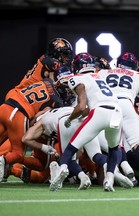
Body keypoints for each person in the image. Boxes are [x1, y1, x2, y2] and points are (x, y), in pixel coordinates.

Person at [49, 53, 124, 192]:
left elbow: (82, 106)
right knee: (113, 149)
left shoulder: (77, 78)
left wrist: (70, 119)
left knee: (71, 147)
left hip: (99, 112)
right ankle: (109, 179)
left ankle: (63, 169)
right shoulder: (101, 75)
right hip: (117, 112)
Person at [98, 52, 139, 188]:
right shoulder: (137, 75)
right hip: (126, 104)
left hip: (109, 105)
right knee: (137, 142)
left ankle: (124, 170)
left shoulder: (103, 72)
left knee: (115, 144)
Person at [0, 77, 64, 182]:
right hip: (20, 113)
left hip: (5, 106)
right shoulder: (57, 101)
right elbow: (36, 118)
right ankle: (4, 161)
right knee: (18, 153)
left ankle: (9, 167)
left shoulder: (47, 81)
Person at [5, 38, 73, 101]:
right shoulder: (51, 62)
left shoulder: (46, 59)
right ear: (56, 53)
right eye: (65, 54)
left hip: (20, 95)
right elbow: (54, 85)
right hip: (20, 97)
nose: (67, 57)